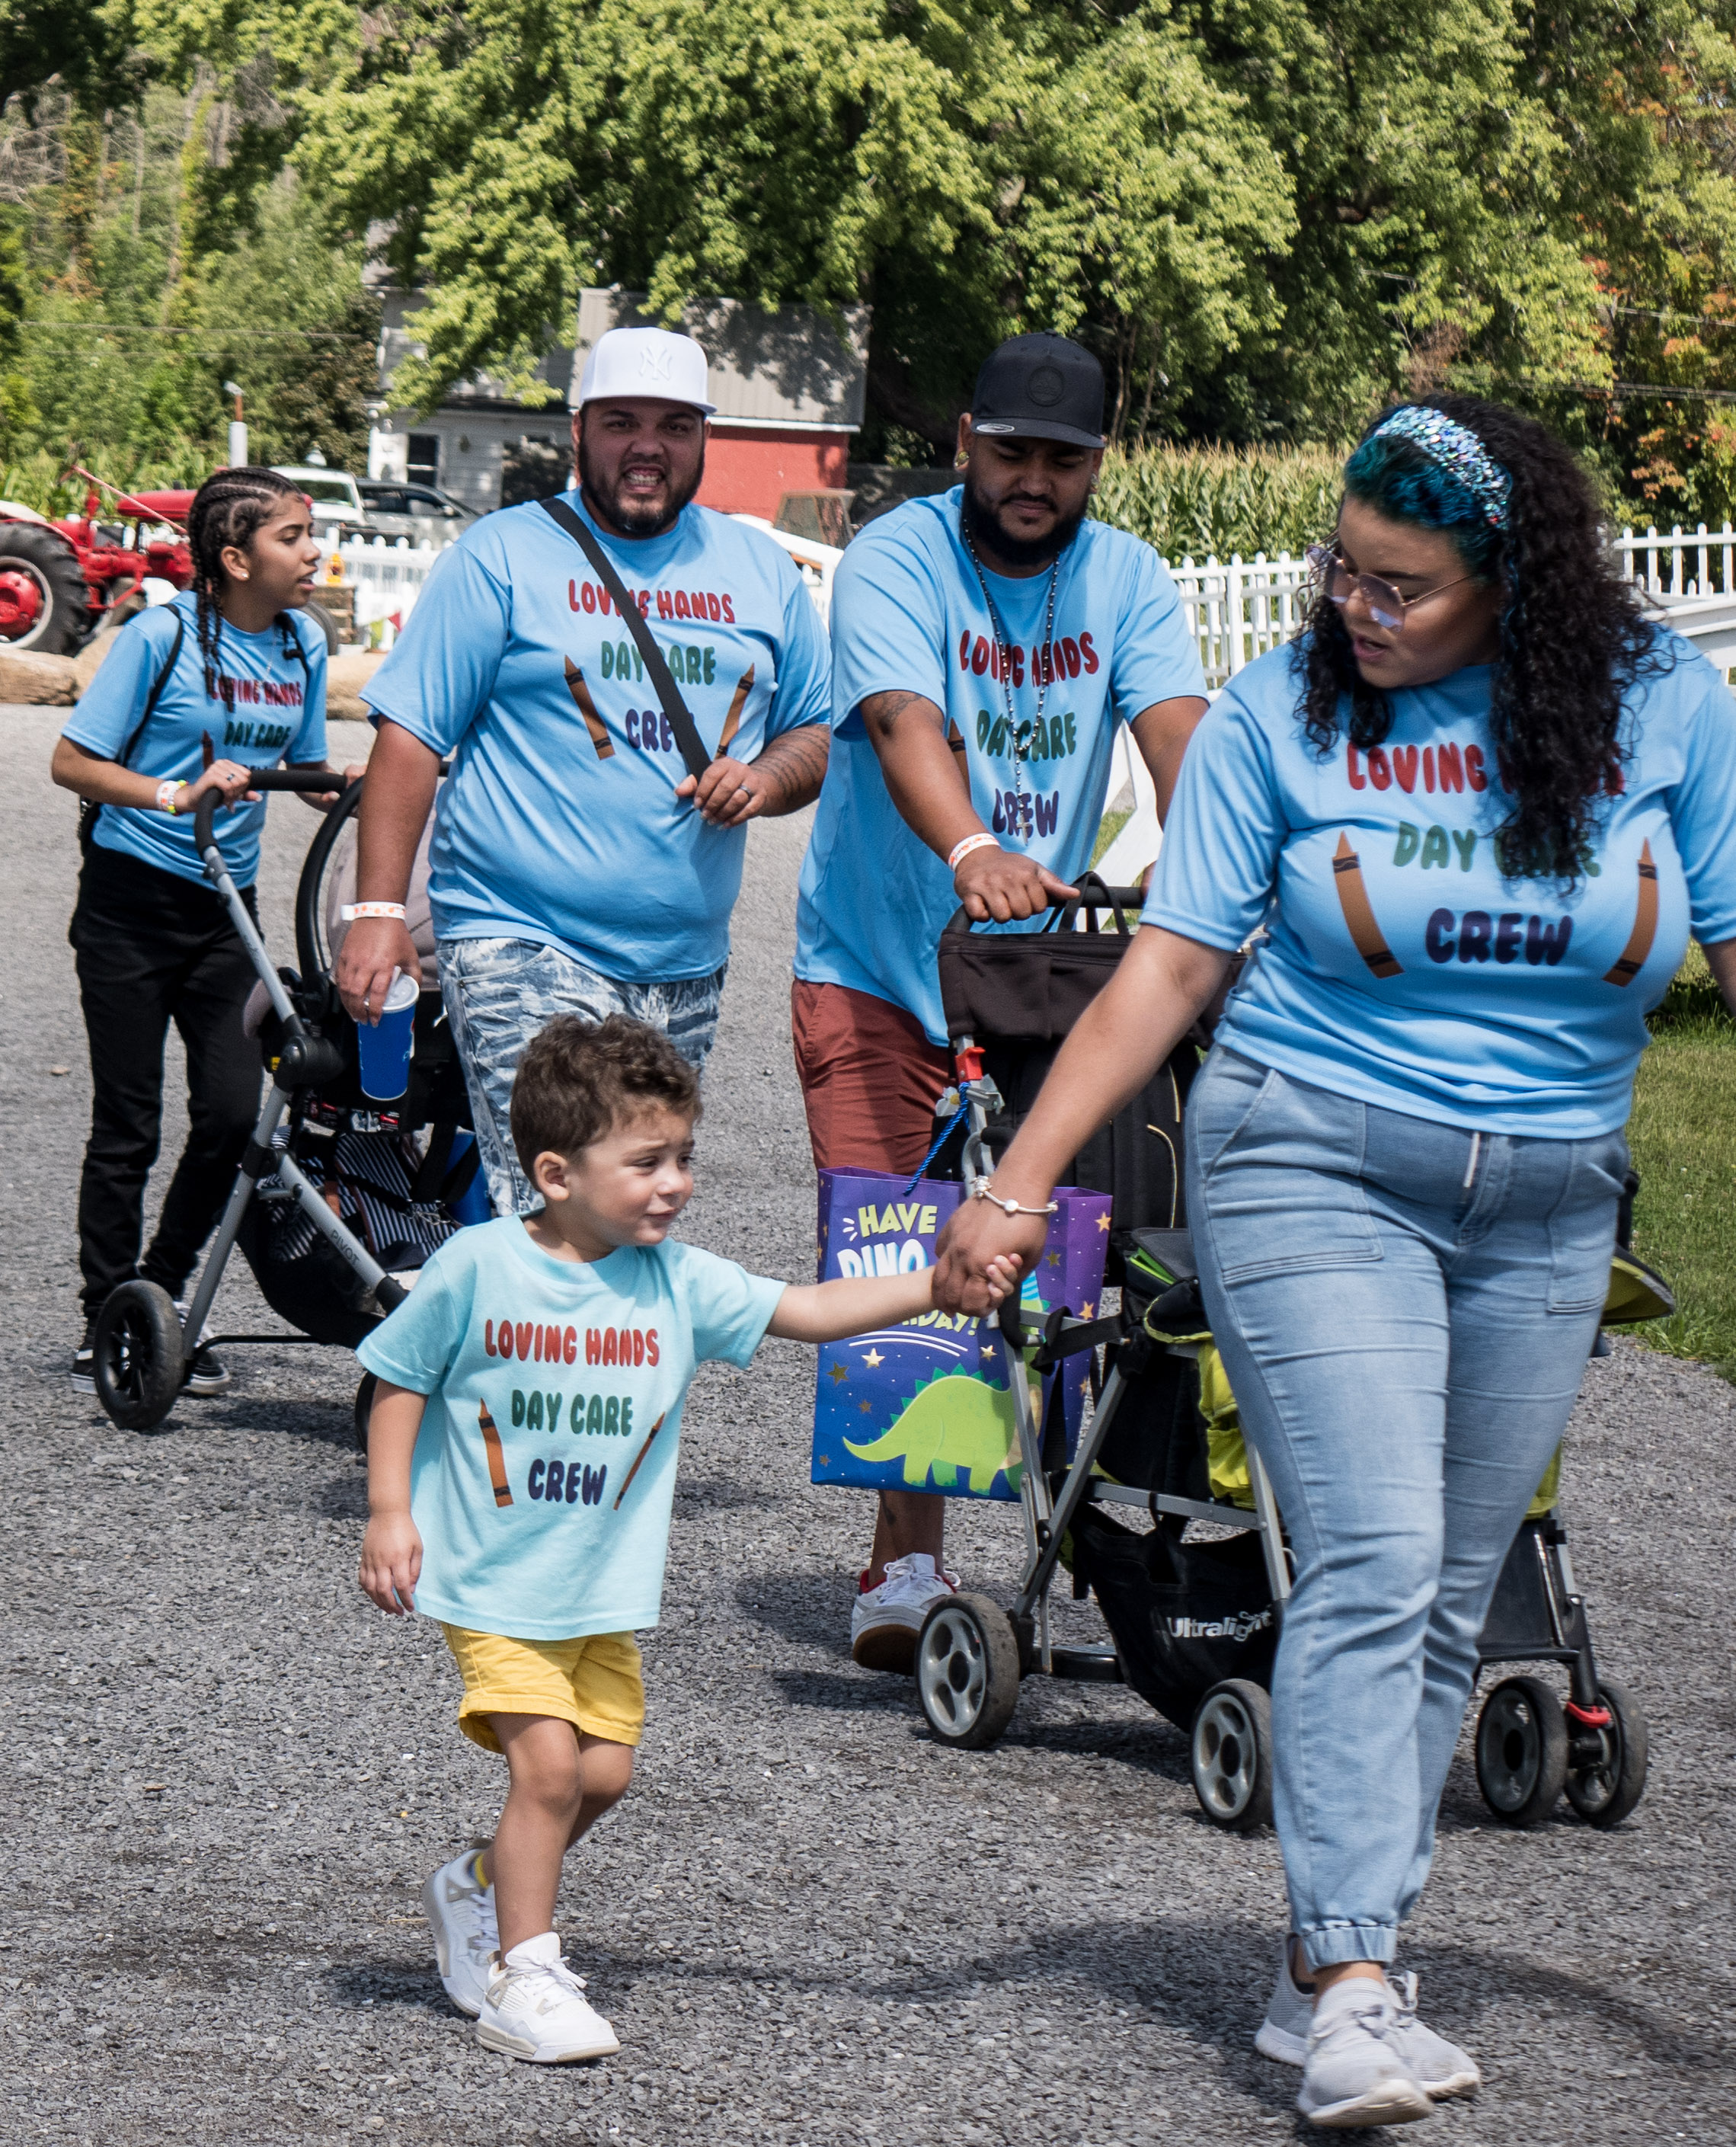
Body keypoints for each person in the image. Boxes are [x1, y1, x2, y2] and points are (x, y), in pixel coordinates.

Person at [930, 395, 1736, 2127]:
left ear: (1514, 589)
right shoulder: (1275, 713)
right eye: (1339, 574)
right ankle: (1356, 1971)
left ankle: (1325, 1961)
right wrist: (1017, 1182)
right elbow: (1163, 970)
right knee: (1366, 1552)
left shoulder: (1660, 704)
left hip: (1544, 1195)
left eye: (1402, 589)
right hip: (1307, 1154)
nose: (1356, 613)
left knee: (1452, 1579)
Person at [356, 1013, 1014, 2059]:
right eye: (646, 1161)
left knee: (601, 1776)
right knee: (549, 1775)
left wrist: (931, 1289)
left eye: (683, 1158)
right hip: (489, 1580)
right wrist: (392, 1510)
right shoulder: (478, 1266)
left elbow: (807, 1307)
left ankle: (477, 1887)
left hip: (600, 1591)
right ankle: (524, 1974)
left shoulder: (677, 1281)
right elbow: (396, 1377)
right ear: (556, 1172)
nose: (674, 1182)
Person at [791, 331, 1209, 1667]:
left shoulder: (1126, 576)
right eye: (1011, 451)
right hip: (871, 964)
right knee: (906, 1255)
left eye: (1063, 459)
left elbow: (1176, 738)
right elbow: (903, 717)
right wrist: (971, 846)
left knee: (1069, 1255)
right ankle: (903, 1566)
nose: (1033, 480)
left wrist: (1223, 856)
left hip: (1042, 980)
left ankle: (1071, 1539)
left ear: (1096, 462)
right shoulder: (900, 555)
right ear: (966, 437)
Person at [335, 325, 833, 1217]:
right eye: (621, 422)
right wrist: (376, 913)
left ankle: (454, 1340)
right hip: (520, 933)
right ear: (579, 430)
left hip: (685, 960)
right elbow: (408, 734)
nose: (648, 446)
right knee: (566, 1199)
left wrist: (763, 779)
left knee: (631, 1202)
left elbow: (813, 732)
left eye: (675, 425)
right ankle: (525, 1344)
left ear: (705, 437)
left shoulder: (761, 569)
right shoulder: (502, 555)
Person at [52, 466, 360, 1393]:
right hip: (129, 903)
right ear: (234, 558)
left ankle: (160, 1298)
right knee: (128, 1122)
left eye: (312, 535)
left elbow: (297, 766)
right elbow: (72, 762)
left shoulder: (305, 643)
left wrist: (346, 785)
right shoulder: (161, 636)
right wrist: (175, 791)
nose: (315, 553)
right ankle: (107, 1311)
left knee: (235, 1115)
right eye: (294, 537)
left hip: (226, 909)